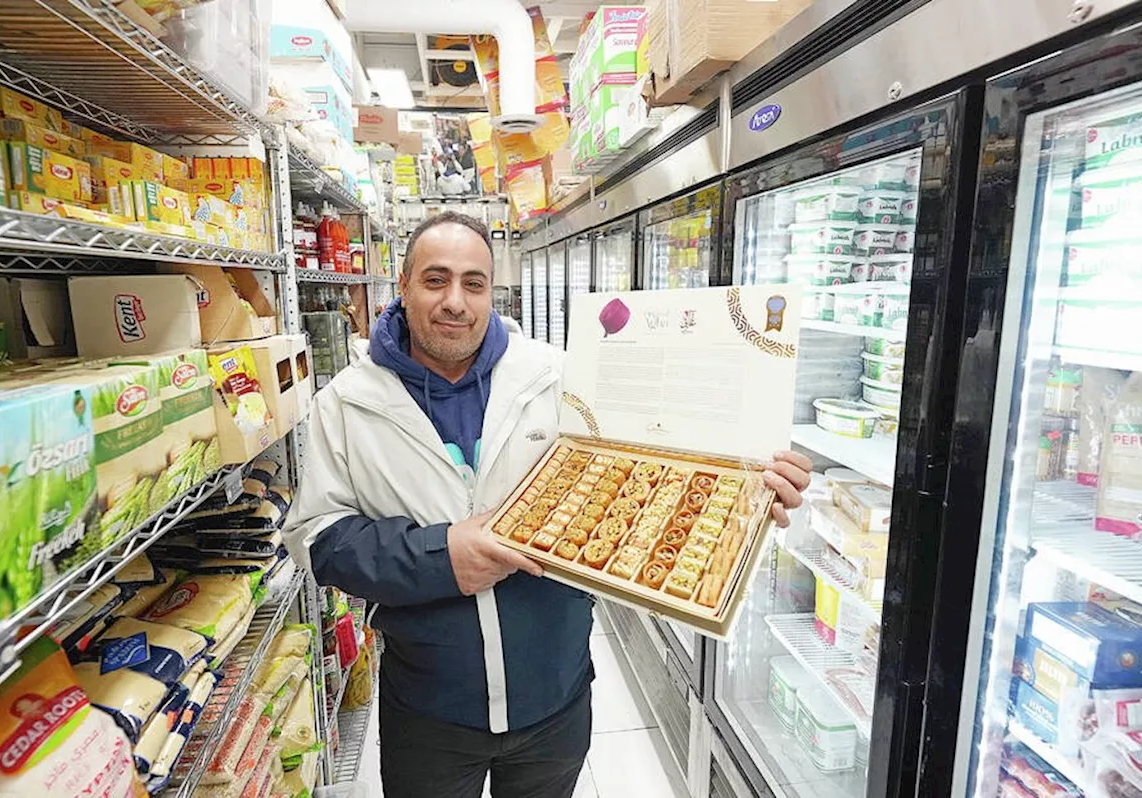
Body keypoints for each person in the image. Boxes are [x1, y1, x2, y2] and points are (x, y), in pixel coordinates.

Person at [284, 211, 813, 797]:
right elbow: (320, 537)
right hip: (430, 709)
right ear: (402, 287)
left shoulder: (559, 377)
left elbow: (651, 473)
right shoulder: (348, 403)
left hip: (555, 700)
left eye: (474, 283)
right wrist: (442, 555)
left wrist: (749, 486)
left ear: (492, 292)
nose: (455, 301)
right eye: (435, 280)